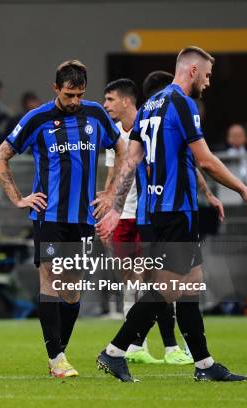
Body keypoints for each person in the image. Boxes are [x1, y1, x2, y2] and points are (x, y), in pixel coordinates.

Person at [95, 46, 247, 382]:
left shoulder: (149, 107)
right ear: (193, 71)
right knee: (169, 290)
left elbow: (131, 161)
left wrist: (115, 209)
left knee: (190, 286)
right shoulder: (182, 103)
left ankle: (204, 364)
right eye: (209, 75)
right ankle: (114, 351)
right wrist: (242, 189)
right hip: (176, 212)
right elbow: (204, 159)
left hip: (151, 214)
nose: (209, 82)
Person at [0, 60, 124, 378]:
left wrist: (109, 194)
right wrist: (19, 198)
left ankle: (59, 351)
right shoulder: (37, 119)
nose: (75, 101)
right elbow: (0, 156)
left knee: (73, 288)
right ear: (55, 89)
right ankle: (56, 358)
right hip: (48, 216)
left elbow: (122, 148)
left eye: (79, 94)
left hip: (82, 217)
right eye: (68, 95)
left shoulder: (95, 114)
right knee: (50, 279)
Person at [102, 78, 192, 365]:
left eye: (110, 100)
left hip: (147, 216)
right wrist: (109, 210)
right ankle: (135, 346)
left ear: (127, 100)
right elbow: (113, 175)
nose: (106, 106)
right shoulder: (113, 135)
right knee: (132, 283)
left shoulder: (148, 124)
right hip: (124, 218)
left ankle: (169, 346)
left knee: (157, 282)